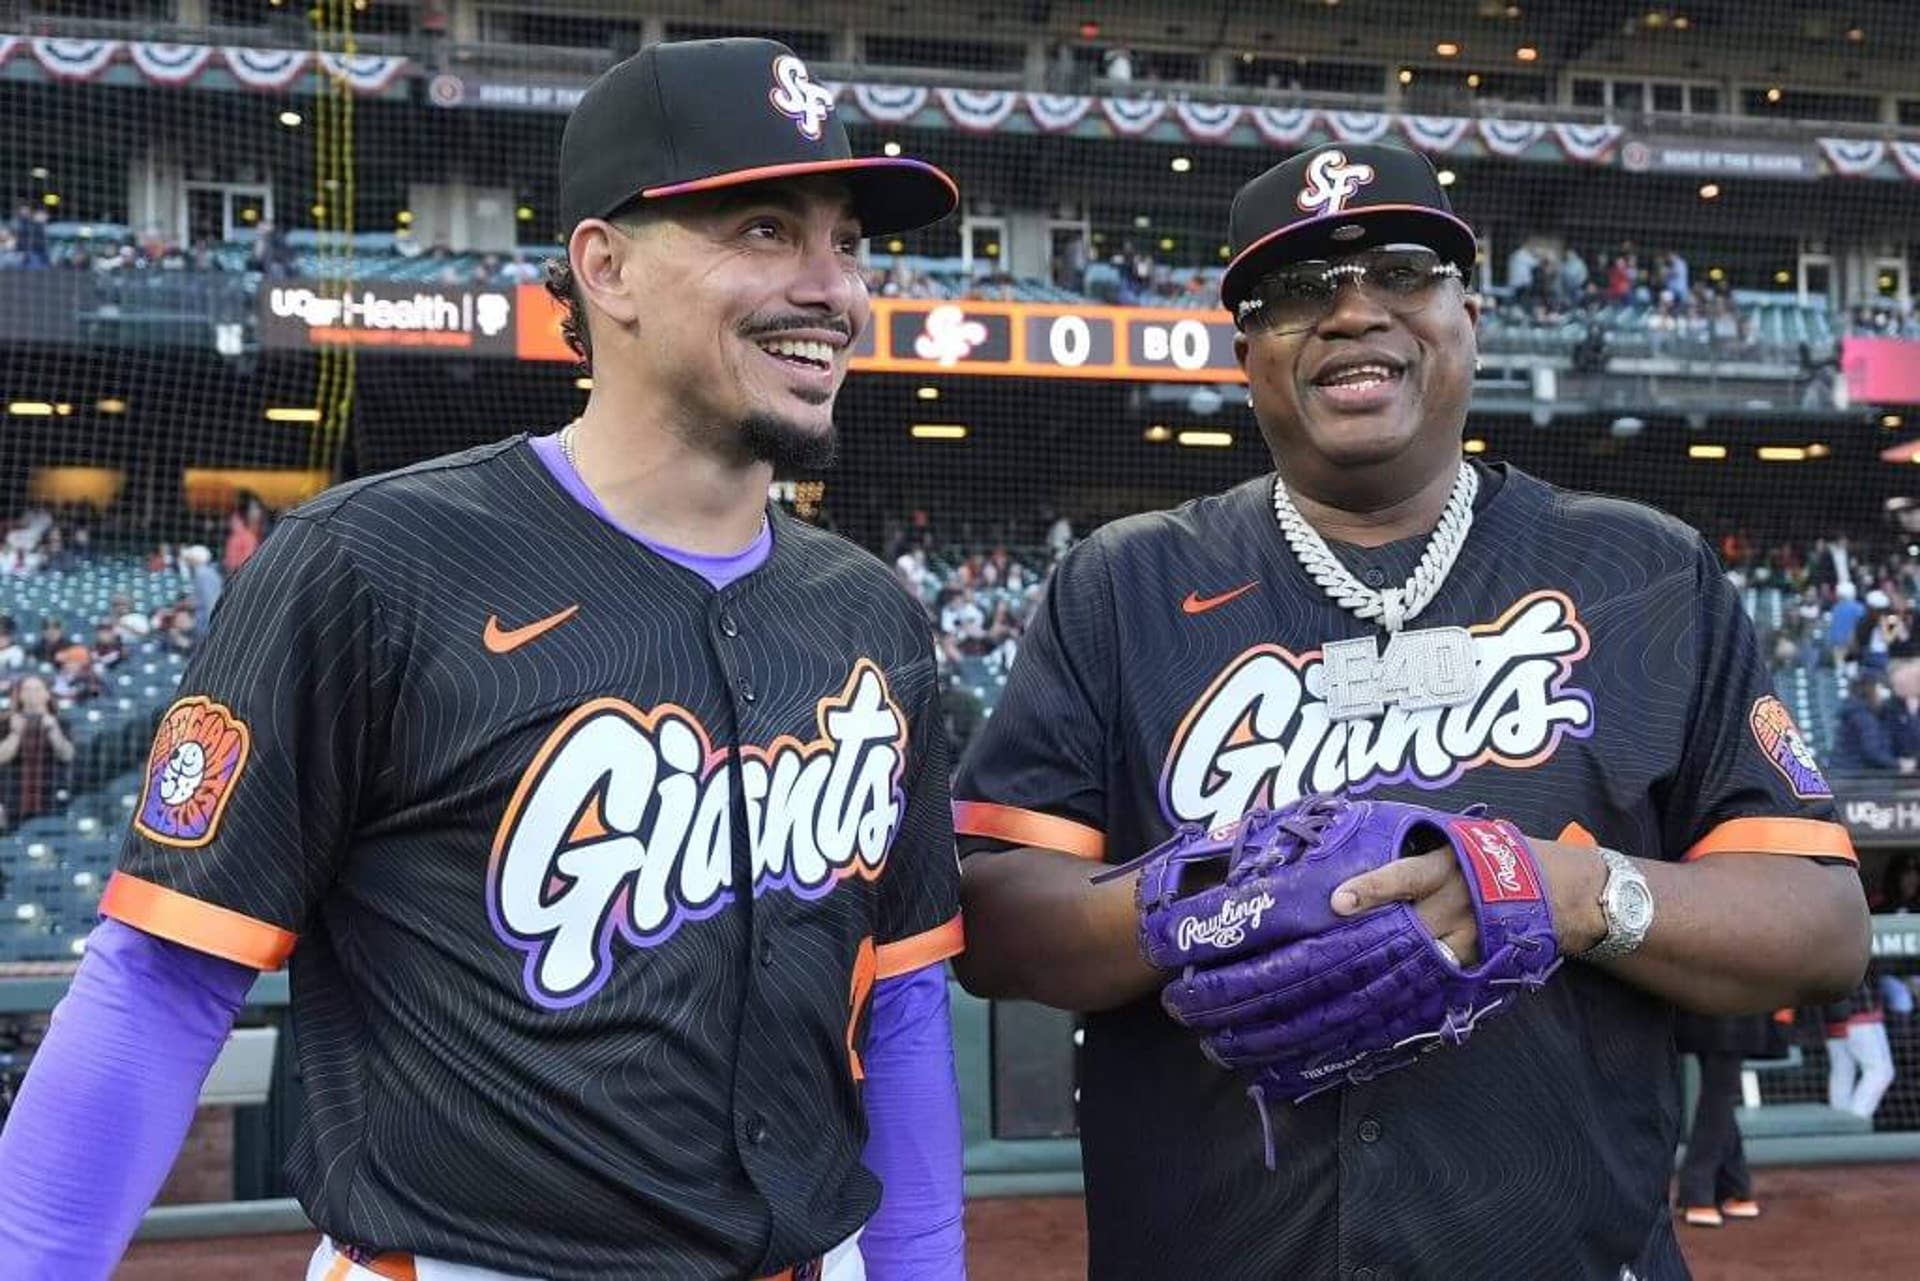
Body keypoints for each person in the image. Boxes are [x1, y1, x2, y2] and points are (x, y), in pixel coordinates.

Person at [0, 37, 966, 1281]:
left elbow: (903, 1013)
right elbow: (159, 984)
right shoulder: (371, 563)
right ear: (603, 267)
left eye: (848, 240)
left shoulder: (872, 613)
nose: (831, 285)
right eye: (767, 230)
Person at [949, 142, 1868, 1279]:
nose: (1350, 312)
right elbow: (988, 918)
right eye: (1294, 292)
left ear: (1469, 316)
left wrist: (1566, 893)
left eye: (1401, 270)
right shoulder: (1121, 584)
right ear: (1248, 356)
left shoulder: (1645, 572)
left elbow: (1822, 926)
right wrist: (1197, 899)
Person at [1673, 1010, 1785, 1228]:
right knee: (1720, 1092)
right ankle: (1716, 1188)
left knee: (1720, 1091)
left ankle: (1722, 1187)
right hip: (1718, 1003)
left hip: (1734, 1005)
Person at [0, 674, 76, 832]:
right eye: (27, 689)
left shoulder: (61, 722)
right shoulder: (5, 723)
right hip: (14, 798)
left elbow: (67, 755)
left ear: (47, 693)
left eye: (37, 689)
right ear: (19, 695)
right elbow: (2, 757)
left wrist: (53, 729)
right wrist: (15, 732)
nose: (32, 693)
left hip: (51, 794)